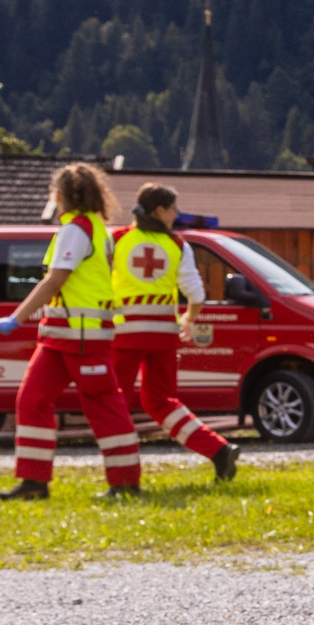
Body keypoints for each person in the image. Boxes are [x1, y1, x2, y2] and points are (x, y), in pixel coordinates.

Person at [0, 162, 145, 502]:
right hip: (63, 335)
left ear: (59, 196)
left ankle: (125, 483)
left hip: (81, 336)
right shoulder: (99, 231)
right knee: (32, 400)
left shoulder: (77, 231)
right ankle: (33, 482)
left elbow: (56, 279)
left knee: (102, 404)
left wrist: (17, 317)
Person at [109, 182, 241, 483]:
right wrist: (188, 321)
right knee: (161, 401)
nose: (176, 214)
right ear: (159, 211)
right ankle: (218, 450)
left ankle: (122, 474)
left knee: (114, 401)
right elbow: (196, 296)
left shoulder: (116, 240)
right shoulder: (178, 245)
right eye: (173, 209)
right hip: (162, 336)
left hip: (125, 334)